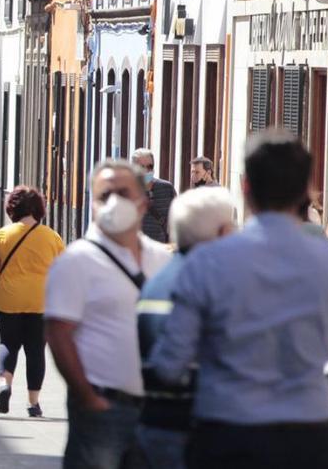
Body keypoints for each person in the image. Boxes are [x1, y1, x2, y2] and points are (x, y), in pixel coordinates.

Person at [150, 131, 328, 469]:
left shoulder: (207, 263)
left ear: (244, 187)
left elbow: (170, 364)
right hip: (310, 432)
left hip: (228, 429)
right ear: (305, 190)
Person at [45, 159, 173, 469]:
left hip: (155, 412)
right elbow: (58, 332)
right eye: (105, 195)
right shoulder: (76, 261)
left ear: (143, 202)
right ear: (92, 204)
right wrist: (87, 396)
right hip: (102, 408)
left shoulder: (163, 260)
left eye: (124, 193)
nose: (114, 202)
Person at [131, 186, 234, 469]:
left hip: (151, 423)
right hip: (189, 428)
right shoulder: (205, 284)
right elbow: (172, 364)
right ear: (224, 232)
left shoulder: (157, 281)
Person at [0, 186, 65, 417]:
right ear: (39, 208)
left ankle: (5, 383)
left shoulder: (3, 235)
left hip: (8, 299)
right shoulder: (52, 237)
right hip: (41, 301)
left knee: (8, 344)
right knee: (36, 350)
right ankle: (33, 403)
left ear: (12, 208)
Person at [131, 148, 177, 243]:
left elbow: (177, 219)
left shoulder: (166, 188)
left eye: (150, 166)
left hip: (161, 250)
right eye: (142, 167)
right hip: (134, 252)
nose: (146, 170)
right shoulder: (126, 191)